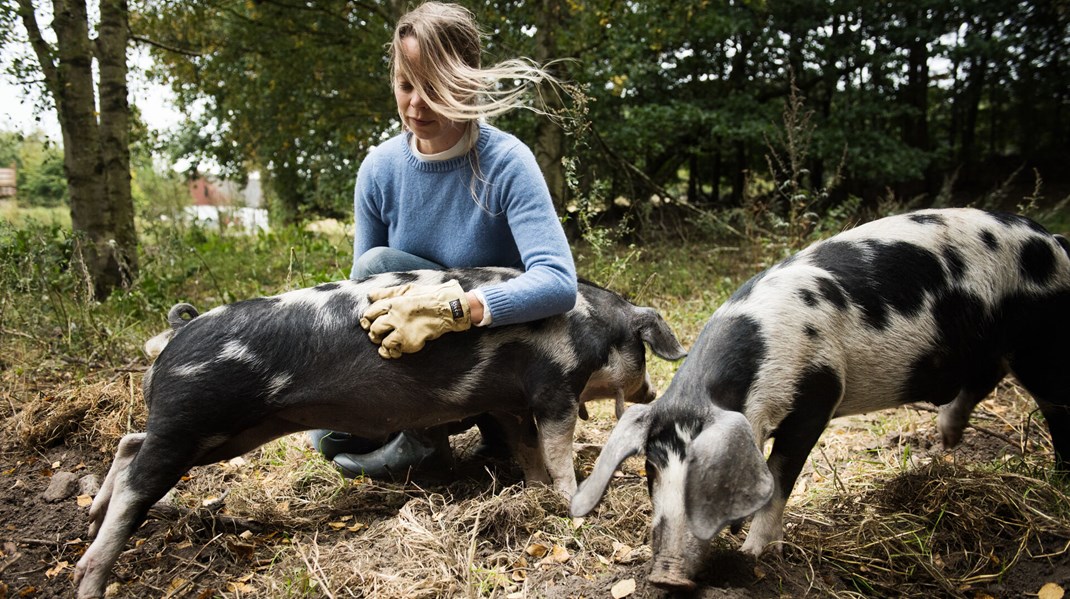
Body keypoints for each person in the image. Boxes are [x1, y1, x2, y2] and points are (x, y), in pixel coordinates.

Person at [309, 1, 578, 479]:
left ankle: (440, 440)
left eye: (433, 88)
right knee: (327, 435)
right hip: (422, 367)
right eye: (405, 84)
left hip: (500, 357)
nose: (415, 105)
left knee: (379, 264)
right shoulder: (379, 169)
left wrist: (455, 310)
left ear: (466, 81)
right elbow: (362, 299)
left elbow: (558, 282)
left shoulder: (507, 162)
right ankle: (428, 429)